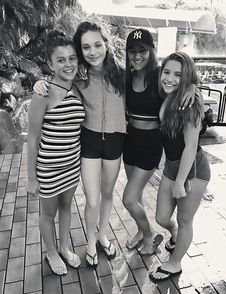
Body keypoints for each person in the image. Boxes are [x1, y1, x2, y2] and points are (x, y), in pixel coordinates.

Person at [33, 21, 126, 268]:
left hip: (107, 145)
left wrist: (190, 84)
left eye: (97, 45)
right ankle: (87, 243)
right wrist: (38, 82)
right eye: (85, 47)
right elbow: (56, 83)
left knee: (103, 196)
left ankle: (99, 236)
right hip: (83, 146)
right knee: (90, 200)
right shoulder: (76, 79)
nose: (92, 52)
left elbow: (154, 82)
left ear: (106, 44)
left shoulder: (120, 76)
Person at [123, 29, 196, 255]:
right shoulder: (128, 76)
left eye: (142, 50)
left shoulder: (159, 75)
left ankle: (149, 234)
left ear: (151, 51)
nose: (137, 56)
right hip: (130, 141)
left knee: (128, 198)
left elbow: (181, 81)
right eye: (132, 51)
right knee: (137, 196)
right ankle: (140, 228)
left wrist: (193, 87)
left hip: (150, 144)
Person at [149, 52, 210, 283]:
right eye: (167, 72)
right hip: (173, 167)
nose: (170, 79)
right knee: (162, 217)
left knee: (185, 220)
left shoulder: (190, 103)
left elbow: (190, 145)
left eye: (179, 75)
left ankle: (174, 263)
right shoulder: (169, 96)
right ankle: (174, 235)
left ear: (186, 78)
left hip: (192, 170)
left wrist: (179, 182)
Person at [27, 31, 84, 276]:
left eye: (72, 58)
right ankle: (51, 253)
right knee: (47, 213)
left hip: (72, 165)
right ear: (50, 64)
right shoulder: (43, 93)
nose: (68, 64)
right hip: (48, 169)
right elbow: (32, 139)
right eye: (61, 60)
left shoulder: (80, 89)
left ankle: (63, 246)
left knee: (67, 206)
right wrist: (31, 177)